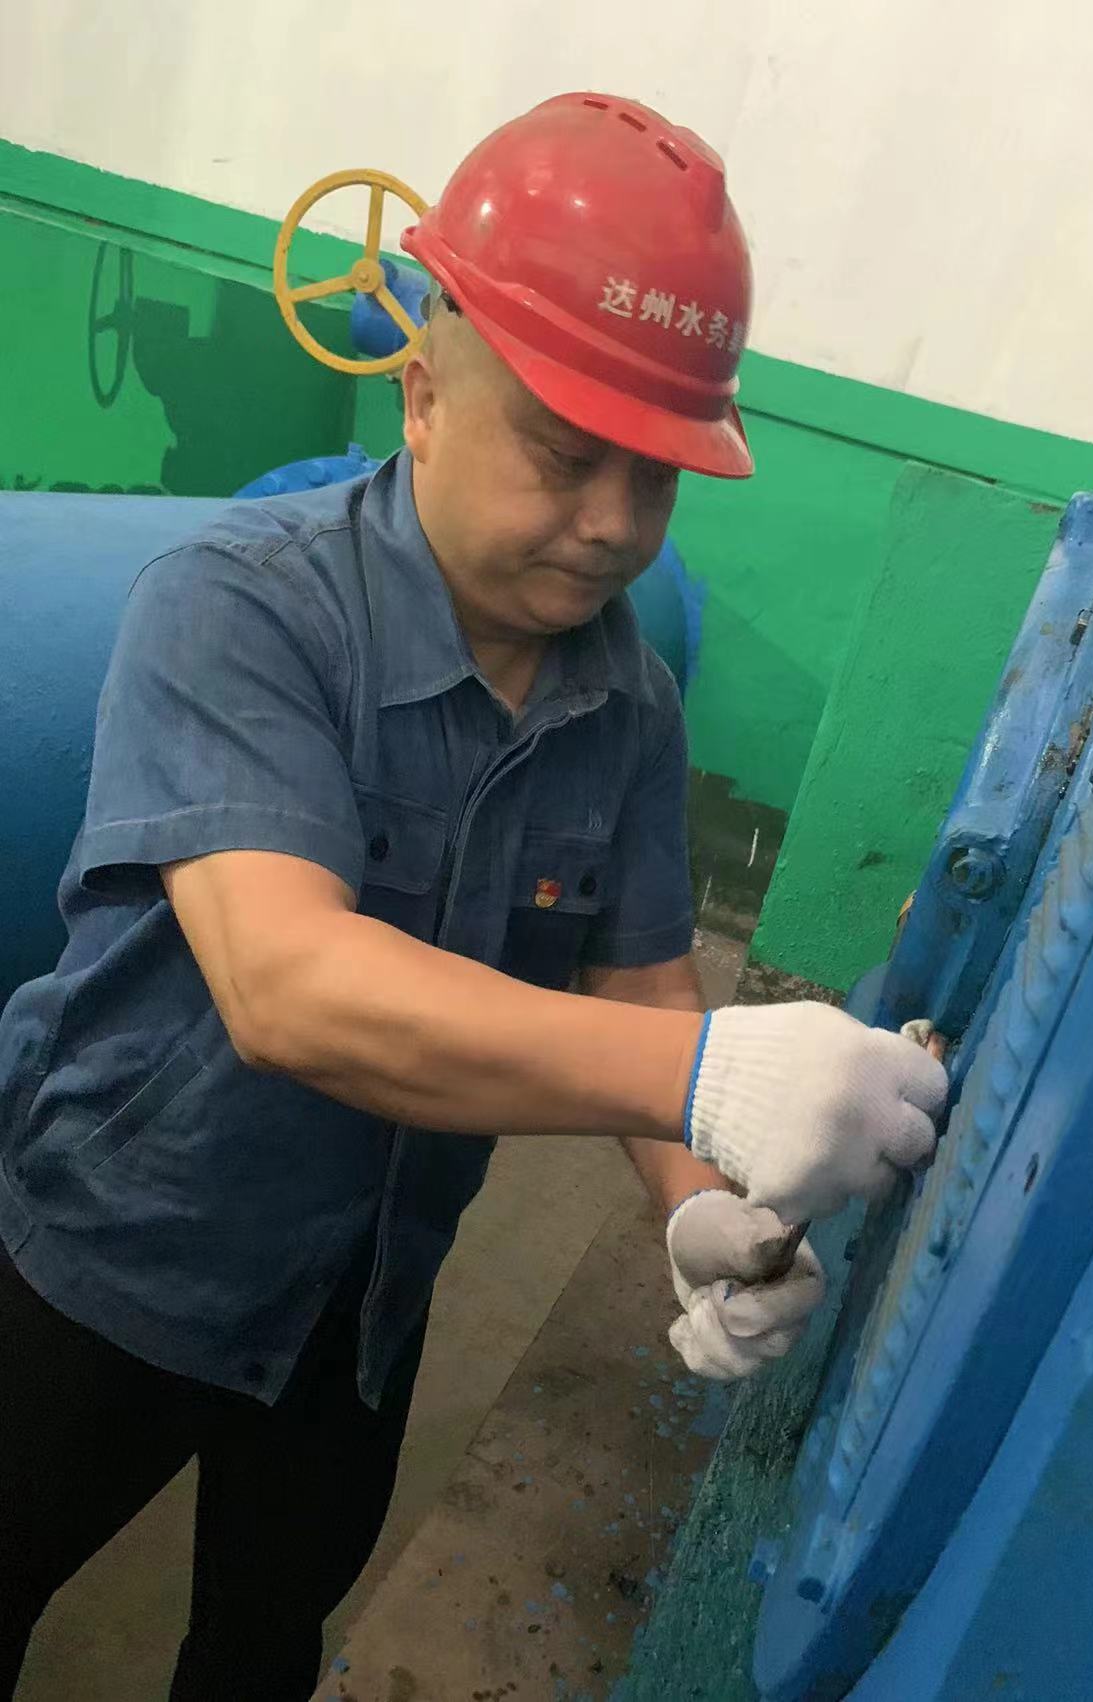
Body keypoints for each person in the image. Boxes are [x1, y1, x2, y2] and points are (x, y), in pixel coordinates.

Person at [0, 92, 946, 1699]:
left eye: (658, 476)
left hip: (363, 1301)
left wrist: (692, 1202)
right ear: (425, 394)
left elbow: (640, 976)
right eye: (566, 456)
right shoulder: (238, 606)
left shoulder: (628, 701)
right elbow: (289, 984)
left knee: (262, 1641)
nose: (614, 524)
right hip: (119, 1240)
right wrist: (704, 1076)